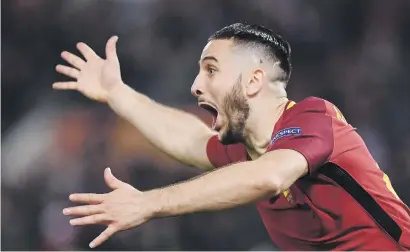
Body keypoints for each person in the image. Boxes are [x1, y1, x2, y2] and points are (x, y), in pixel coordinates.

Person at [53, 23, 410, 250]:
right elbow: (189, 140)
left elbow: (269, 176)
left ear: (253, 80)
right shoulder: (245, 152)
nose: (195, 86)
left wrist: (148, 204)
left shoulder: (313, 117)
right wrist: (119, 95)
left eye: (211, 70)